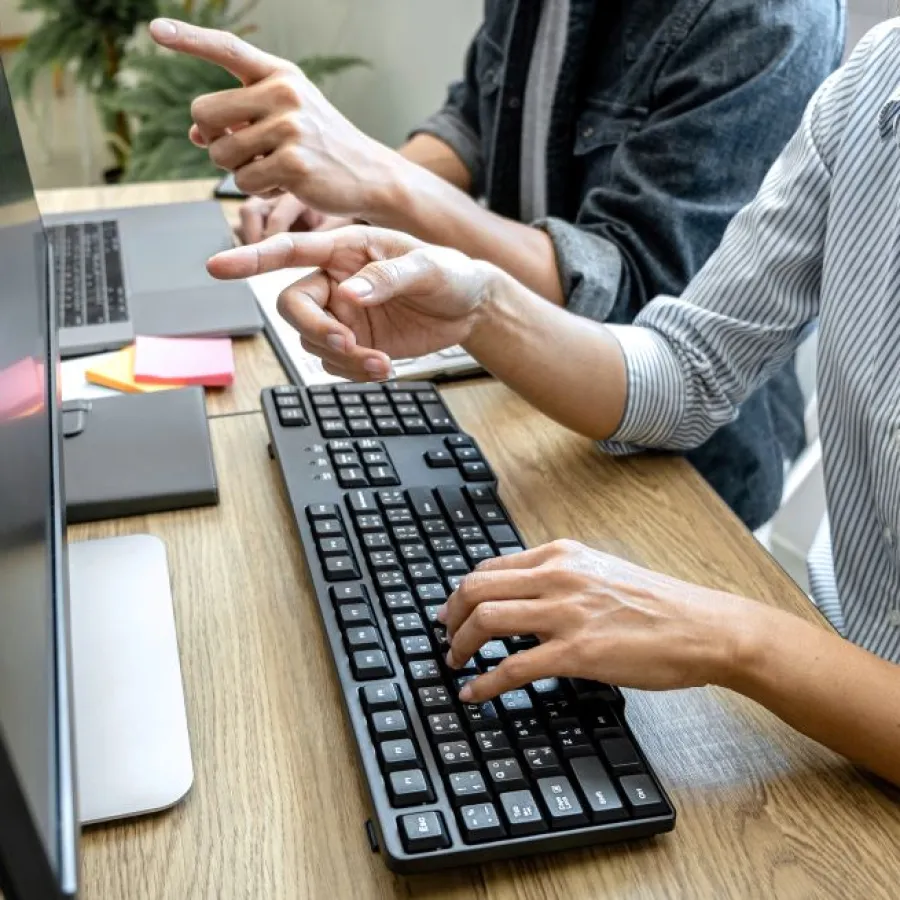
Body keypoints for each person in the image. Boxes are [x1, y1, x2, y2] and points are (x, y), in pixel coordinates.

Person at [204, 19, 900, 786]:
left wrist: (732, 638)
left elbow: (635, 280)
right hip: (834, 671)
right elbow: (692, 370)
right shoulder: (877, 77)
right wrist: (478, 308)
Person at [148, 5, 846, 530]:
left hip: (678, 480)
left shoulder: (764, 20)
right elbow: (473, 118)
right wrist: (344, 192)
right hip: (515, 401)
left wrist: (380, 179)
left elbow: (634, 297)